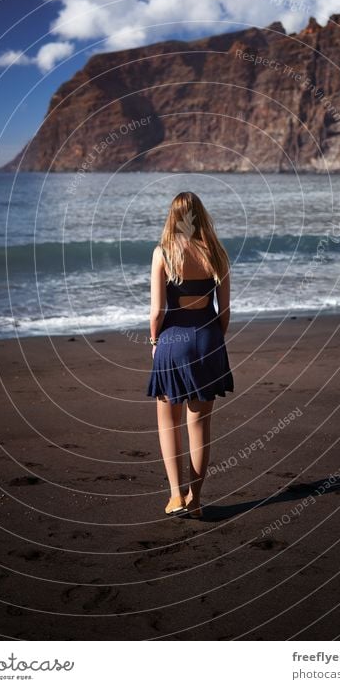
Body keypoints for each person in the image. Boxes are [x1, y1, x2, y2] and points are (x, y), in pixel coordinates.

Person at [146, 191, 234, 518]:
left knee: (168, 423)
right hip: (208, 339)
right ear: (201, 215)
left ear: (172, 216)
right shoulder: (217, 252)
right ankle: (195, 500)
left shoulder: (163, 253)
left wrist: (155, 342)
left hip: (172, 341)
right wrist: (214, 340)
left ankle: (174, 496)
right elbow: (224, 311)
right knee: (199, 425)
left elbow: (157, 312)